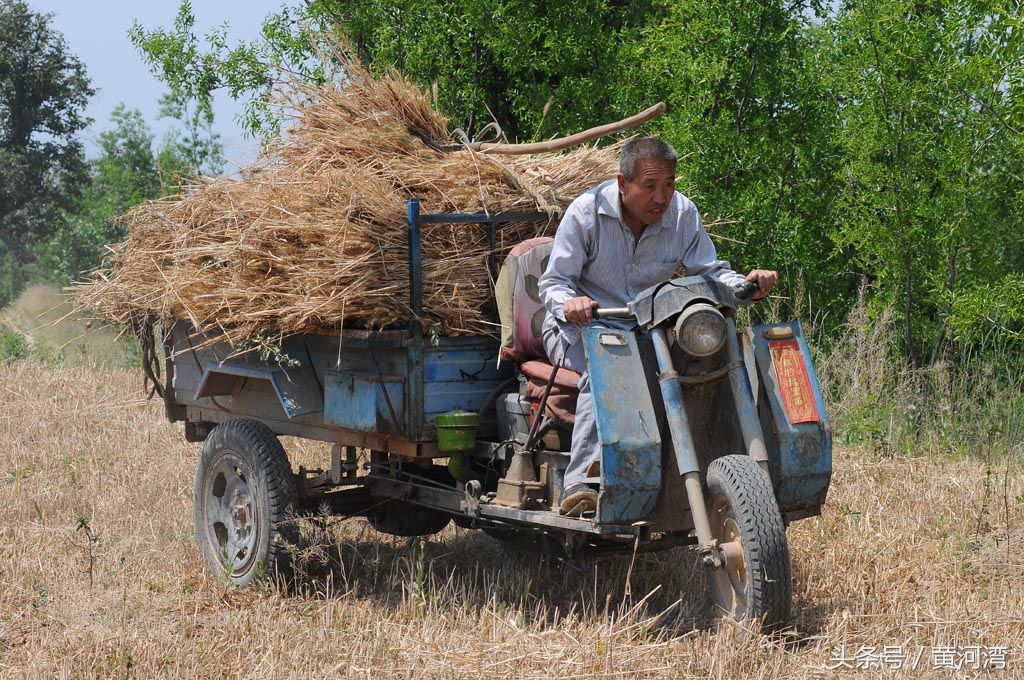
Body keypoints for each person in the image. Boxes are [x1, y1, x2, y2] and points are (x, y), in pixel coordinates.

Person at [538, 137, 778, 517]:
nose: (661, 197)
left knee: (704, 370)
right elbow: (553, 282)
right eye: (649, 186)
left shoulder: (683, 215)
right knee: (605, 374)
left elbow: (710, 271)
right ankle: (580, 482)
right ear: (622, 183)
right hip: (580, 330)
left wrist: (746, 286)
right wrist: (572, 304)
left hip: (650, 330)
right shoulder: (586, 214)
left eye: (668, 185)